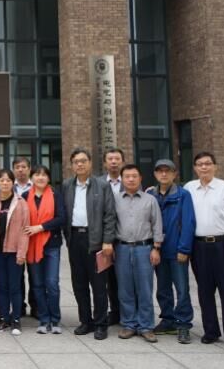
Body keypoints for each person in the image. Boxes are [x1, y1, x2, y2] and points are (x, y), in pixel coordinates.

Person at [185, 152, 224, 350]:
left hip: (223, 245)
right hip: (199, 246)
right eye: (200, 164)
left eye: (208, 163)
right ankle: (211, 331)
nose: (204, 167)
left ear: (215, 166)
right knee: (204, 291)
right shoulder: (189, 188)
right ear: (195, 168)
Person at [61, 147, 116, 340]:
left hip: (97, 242)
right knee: (79, 284)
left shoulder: (102, 186)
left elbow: (110, 215)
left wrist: (107, 240)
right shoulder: (67, 185)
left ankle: (101, 323)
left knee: (99, 285)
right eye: (76, 162)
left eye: (83, 161)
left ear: (90, 163)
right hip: (75, 239)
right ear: (72, 165)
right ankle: (86, 321)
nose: (80, 164)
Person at [148, 159, 196, 344]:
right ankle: (167, 319)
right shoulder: (150, 195)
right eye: (160, 171)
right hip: (158, 250)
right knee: (163, 288)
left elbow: (188, 223)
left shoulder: (183, 195)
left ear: (175, 174)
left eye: (167, 171)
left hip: (177, 251)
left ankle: (183, 324)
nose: (163, 174)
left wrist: (184, 248)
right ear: (155, 174)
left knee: (182, 289)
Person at [113, 164, 163, 343]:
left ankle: (146, 326)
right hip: (122, 248)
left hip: (144, 248)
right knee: (125, 289)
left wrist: (156, 248)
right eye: (127, 176)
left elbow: (157, 224)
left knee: (145, 288)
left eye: (134, 176)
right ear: (122, 179)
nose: (131, 179)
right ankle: (129, 324)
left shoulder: (150, 200)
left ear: (140, 178)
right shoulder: (115, 199)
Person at [24, 165, 66, 334]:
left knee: (52, 283)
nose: (40, 178)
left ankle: (55, 319)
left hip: (51, 246)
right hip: (32, 245)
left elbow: (61, 218)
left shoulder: (56, 195)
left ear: (48, 178)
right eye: (37, 174)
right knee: (37, 284)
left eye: (44, 175)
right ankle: (43, 319)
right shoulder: (25, 196)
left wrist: (40, 227)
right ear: (31, 178)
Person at [0, 169, 29, 335]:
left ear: (13, 183)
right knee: (1, 286)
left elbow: (25, 230)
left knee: (15, 287)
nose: (5, 183)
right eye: (2, 180)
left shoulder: (21, 203)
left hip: (14, 252)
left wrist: (21, 253)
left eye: (8, 180)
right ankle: (4, 318)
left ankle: (16, 319)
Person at [98, 147, 125, 326]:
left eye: (117, 159)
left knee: (125, 277)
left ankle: (127, 312)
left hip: (125, 236)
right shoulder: (98, 182)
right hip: (104, 238)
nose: (114, 162)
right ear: (105, 163)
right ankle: (114, 312)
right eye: (110, 159)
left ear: (122, 161)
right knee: (108, 278)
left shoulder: (131, 180)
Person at [13, 156, 36, 318]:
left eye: (23, 167)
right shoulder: (8, 186)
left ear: (29, 169)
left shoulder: (36, 186)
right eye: (17, 167)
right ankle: (19, 306)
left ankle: (36, 306)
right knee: (17, 275)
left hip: (33, 235)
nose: (20, 170)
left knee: (35, 275)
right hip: (15, 238)